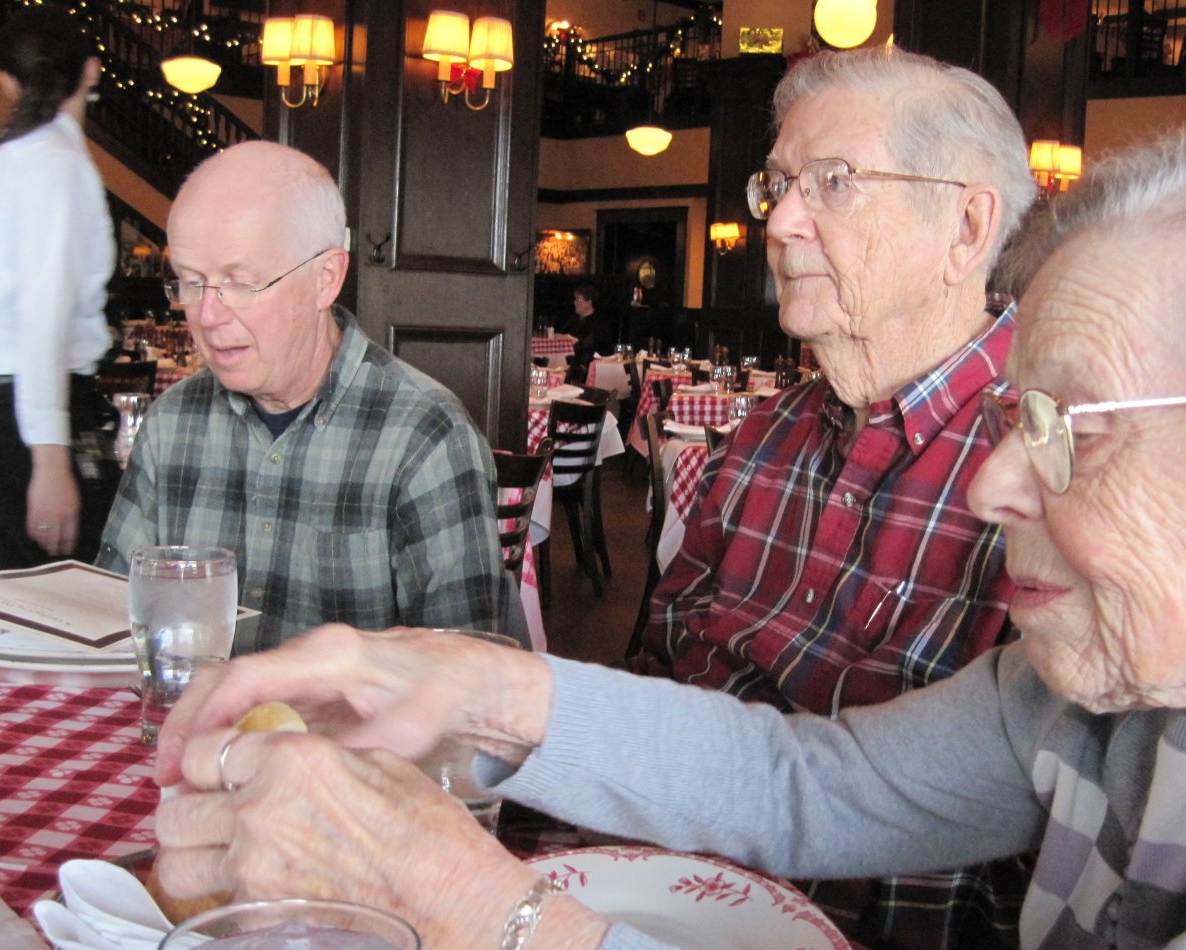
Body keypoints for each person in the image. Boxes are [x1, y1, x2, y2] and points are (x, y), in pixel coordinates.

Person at [153, 127, 1186, 950]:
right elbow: (809, 779)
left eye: (1073, 426)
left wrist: (471, 904)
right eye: (1015, 418)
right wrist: (474, 683)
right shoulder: (1073, 705)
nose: (994, 481)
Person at [625, 47, 1036, 946]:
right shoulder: (761, 438)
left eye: (836, 182)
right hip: (665, 895)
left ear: (966, 228)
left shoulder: (1057, 465)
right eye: (778, 185)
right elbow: (664, 657)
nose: (780, 223)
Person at [96, 141, 525, 653]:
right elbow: (112, 620)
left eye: (241, 282)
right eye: (191, 283)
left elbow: (463, 673)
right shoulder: (173, 423)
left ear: (326, 279)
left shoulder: (423, 437)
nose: (207, 317)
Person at [0, 7, 115, 570]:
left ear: (5, 81)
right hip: (28, 419)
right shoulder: (56, 166)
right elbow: (43, 317)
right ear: (91, 70)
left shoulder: (1, 164)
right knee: (52, 592)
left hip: (3, 410)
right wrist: (50, 461)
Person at [566, 284, 616, 384]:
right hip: (571, 361)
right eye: (575, 299)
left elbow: (591, 345)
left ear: (589, 302)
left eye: (578, 299)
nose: (575, 302)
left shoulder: (599, 322)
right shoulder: (573, 320)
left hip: (588, 365)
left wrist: (573, 341)